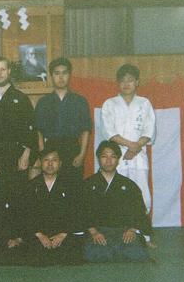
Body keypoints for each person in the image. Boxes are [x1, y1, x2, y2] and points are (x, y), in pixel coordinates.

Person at [100, 64, 156, 246]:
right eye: (122, 81)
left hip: (138, 155)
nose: (126, 84)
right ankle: (116, 233)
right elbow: (109, 132)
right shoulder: (110, 104)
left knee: (142, 195)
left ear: (137, 82)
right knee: (116, 196)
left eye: (130, 80)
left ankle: (145, 236)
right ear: (118, 83)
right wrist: (129, 146)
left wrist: (136, 147)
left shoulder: (144, 103)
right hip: (116, 157)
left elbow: (150, 129)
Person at [83, 141, 151, 263]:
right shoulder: (88, 184)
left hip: (123, 231)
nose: (108, 161)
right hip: (98, 231)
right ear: (98, 158)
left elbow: (139, 210)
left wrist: (132, 229)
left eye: (113, 156)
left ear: (118, 160)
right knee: (95, 255)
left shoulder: (128, 185)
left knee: (137, 255)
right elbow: (80, 211)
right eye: (104, 156)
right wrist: (93, 232)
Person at [0, 56, 36, 188]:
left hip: (15, 156)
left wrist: (26, 154)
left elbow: (31, 129)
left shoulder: (21, 99)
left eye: (2, 69)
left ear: (9, 71)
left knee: (16, 196)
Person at [33, 57, 92, 183]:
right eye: (57, 73)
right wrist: (43, 154)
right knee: (51, 188)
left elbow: (86, 130)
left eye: (64, 73)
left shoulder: (80, 101)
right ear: (51, 76)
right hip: (51, 150)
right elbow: (38, 131)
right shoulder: (43, 102)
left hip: (72, 150)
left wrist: (81, 155)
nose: (61, 77)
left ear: (69, 75)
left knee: (73, 189)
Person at [24, 149, 85, 266]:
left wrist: (63, 233)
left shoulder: (71, 186)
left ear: (60, 163)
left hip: (63, 234)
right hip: (40, 235)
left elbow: (77, 213)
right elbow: (26, 214)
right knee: (33, 255)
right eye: (46, 160)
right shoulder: (31, 186)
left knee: (72, 255)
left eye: (54, 160)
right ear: (41, 163)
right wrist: (39, 234)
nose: (50, 163)